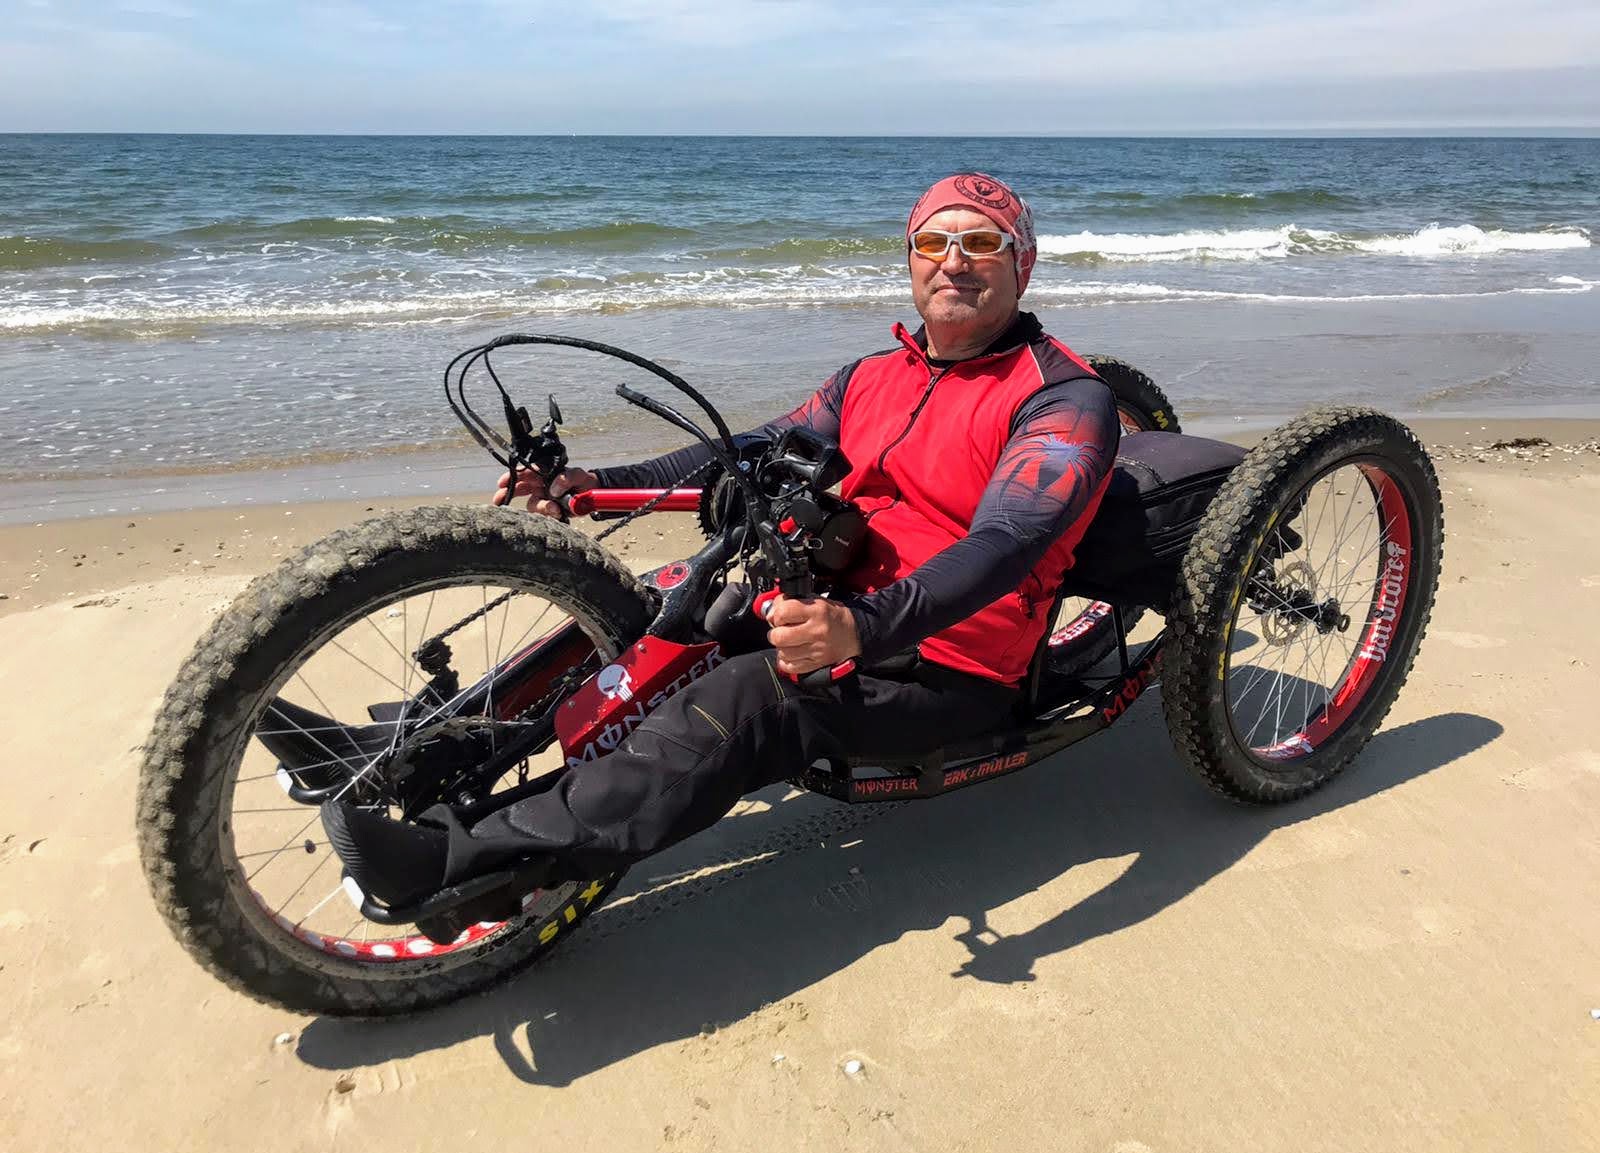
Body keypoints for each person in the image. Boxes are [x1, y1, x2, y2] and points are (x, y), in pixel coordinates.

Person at [323, 173, 1123, 917]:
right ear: (909, 261)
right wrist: (591, 486)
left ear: (1023, 264)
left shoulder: (1065, 399)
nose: (953, 262)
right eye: (932, 243)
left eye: (981, 244)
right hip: (822, 598)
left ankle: (454, 865)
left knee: (748, 700)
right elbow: (757, 447)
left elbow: (1009, 541)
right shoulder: (875, 375)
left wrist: (865, 627)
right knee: (666, 614)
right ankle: (390, 753)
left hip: (947, 660)